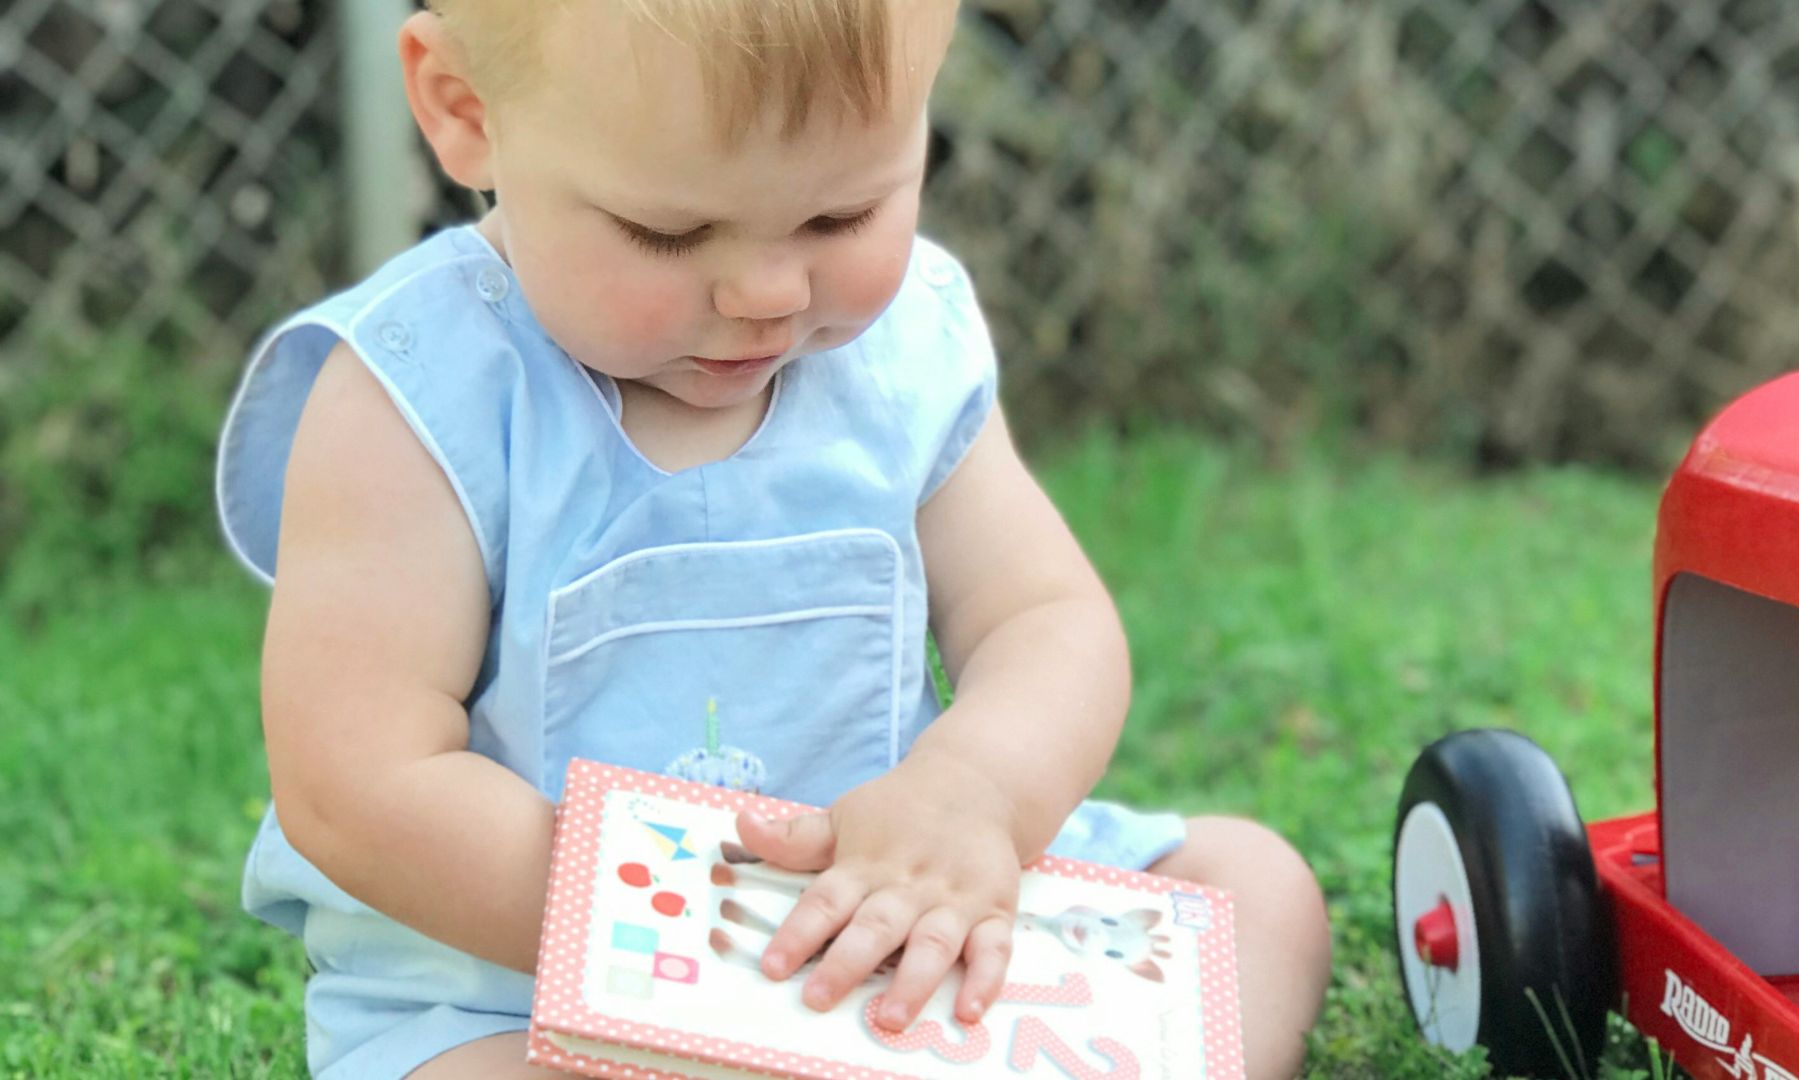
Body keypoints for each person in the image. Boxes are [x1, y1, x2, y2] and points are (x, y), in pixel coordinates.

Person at [214, 1, 1331, 1076]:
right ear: (465, 109)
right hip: (531, 980)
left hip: (901, 922)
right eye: (669, 230)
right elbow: (355, 782)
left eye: (840, 218)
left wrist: (974, 796)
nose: (767, 290)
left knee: (1256, 892)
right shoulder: (421, 394)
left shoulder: (901, 353)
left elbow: (1041, 617)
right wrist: (702, 961)